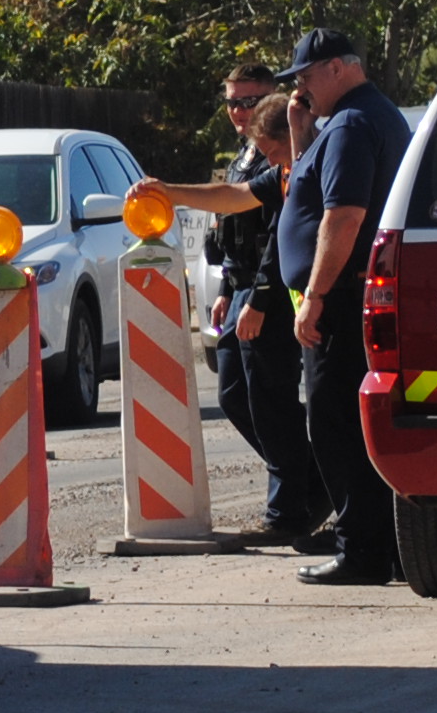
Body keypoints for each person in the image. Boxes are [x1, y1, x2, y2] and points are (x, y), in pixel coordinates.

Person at [133, 81, 324, 545]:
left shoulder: (309, 167)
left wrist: (258, 300)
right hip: (260, 294)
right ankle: (312, 487)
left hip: (289, 300)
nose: (265, 157)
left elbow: (282, 245)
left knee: (274, 401)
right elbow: (233, 198)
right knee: (240, 396)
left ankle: (294, 508)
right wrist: (169, 191)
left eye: (270, 149)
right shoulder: (282, 171)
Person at [278, 27, 413, 585]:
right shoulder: (370, 116)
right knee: (355, 425)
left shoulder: (354, 124)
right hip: (360, 293)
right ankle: (386, 547)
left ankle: (362, 550)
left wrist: (315, 296)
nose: (302, 88)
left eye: (307, 76)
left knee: (336, 425)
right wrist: (300, 132)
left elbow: (344, 216)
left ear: (338, 68)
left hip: (344, 300)